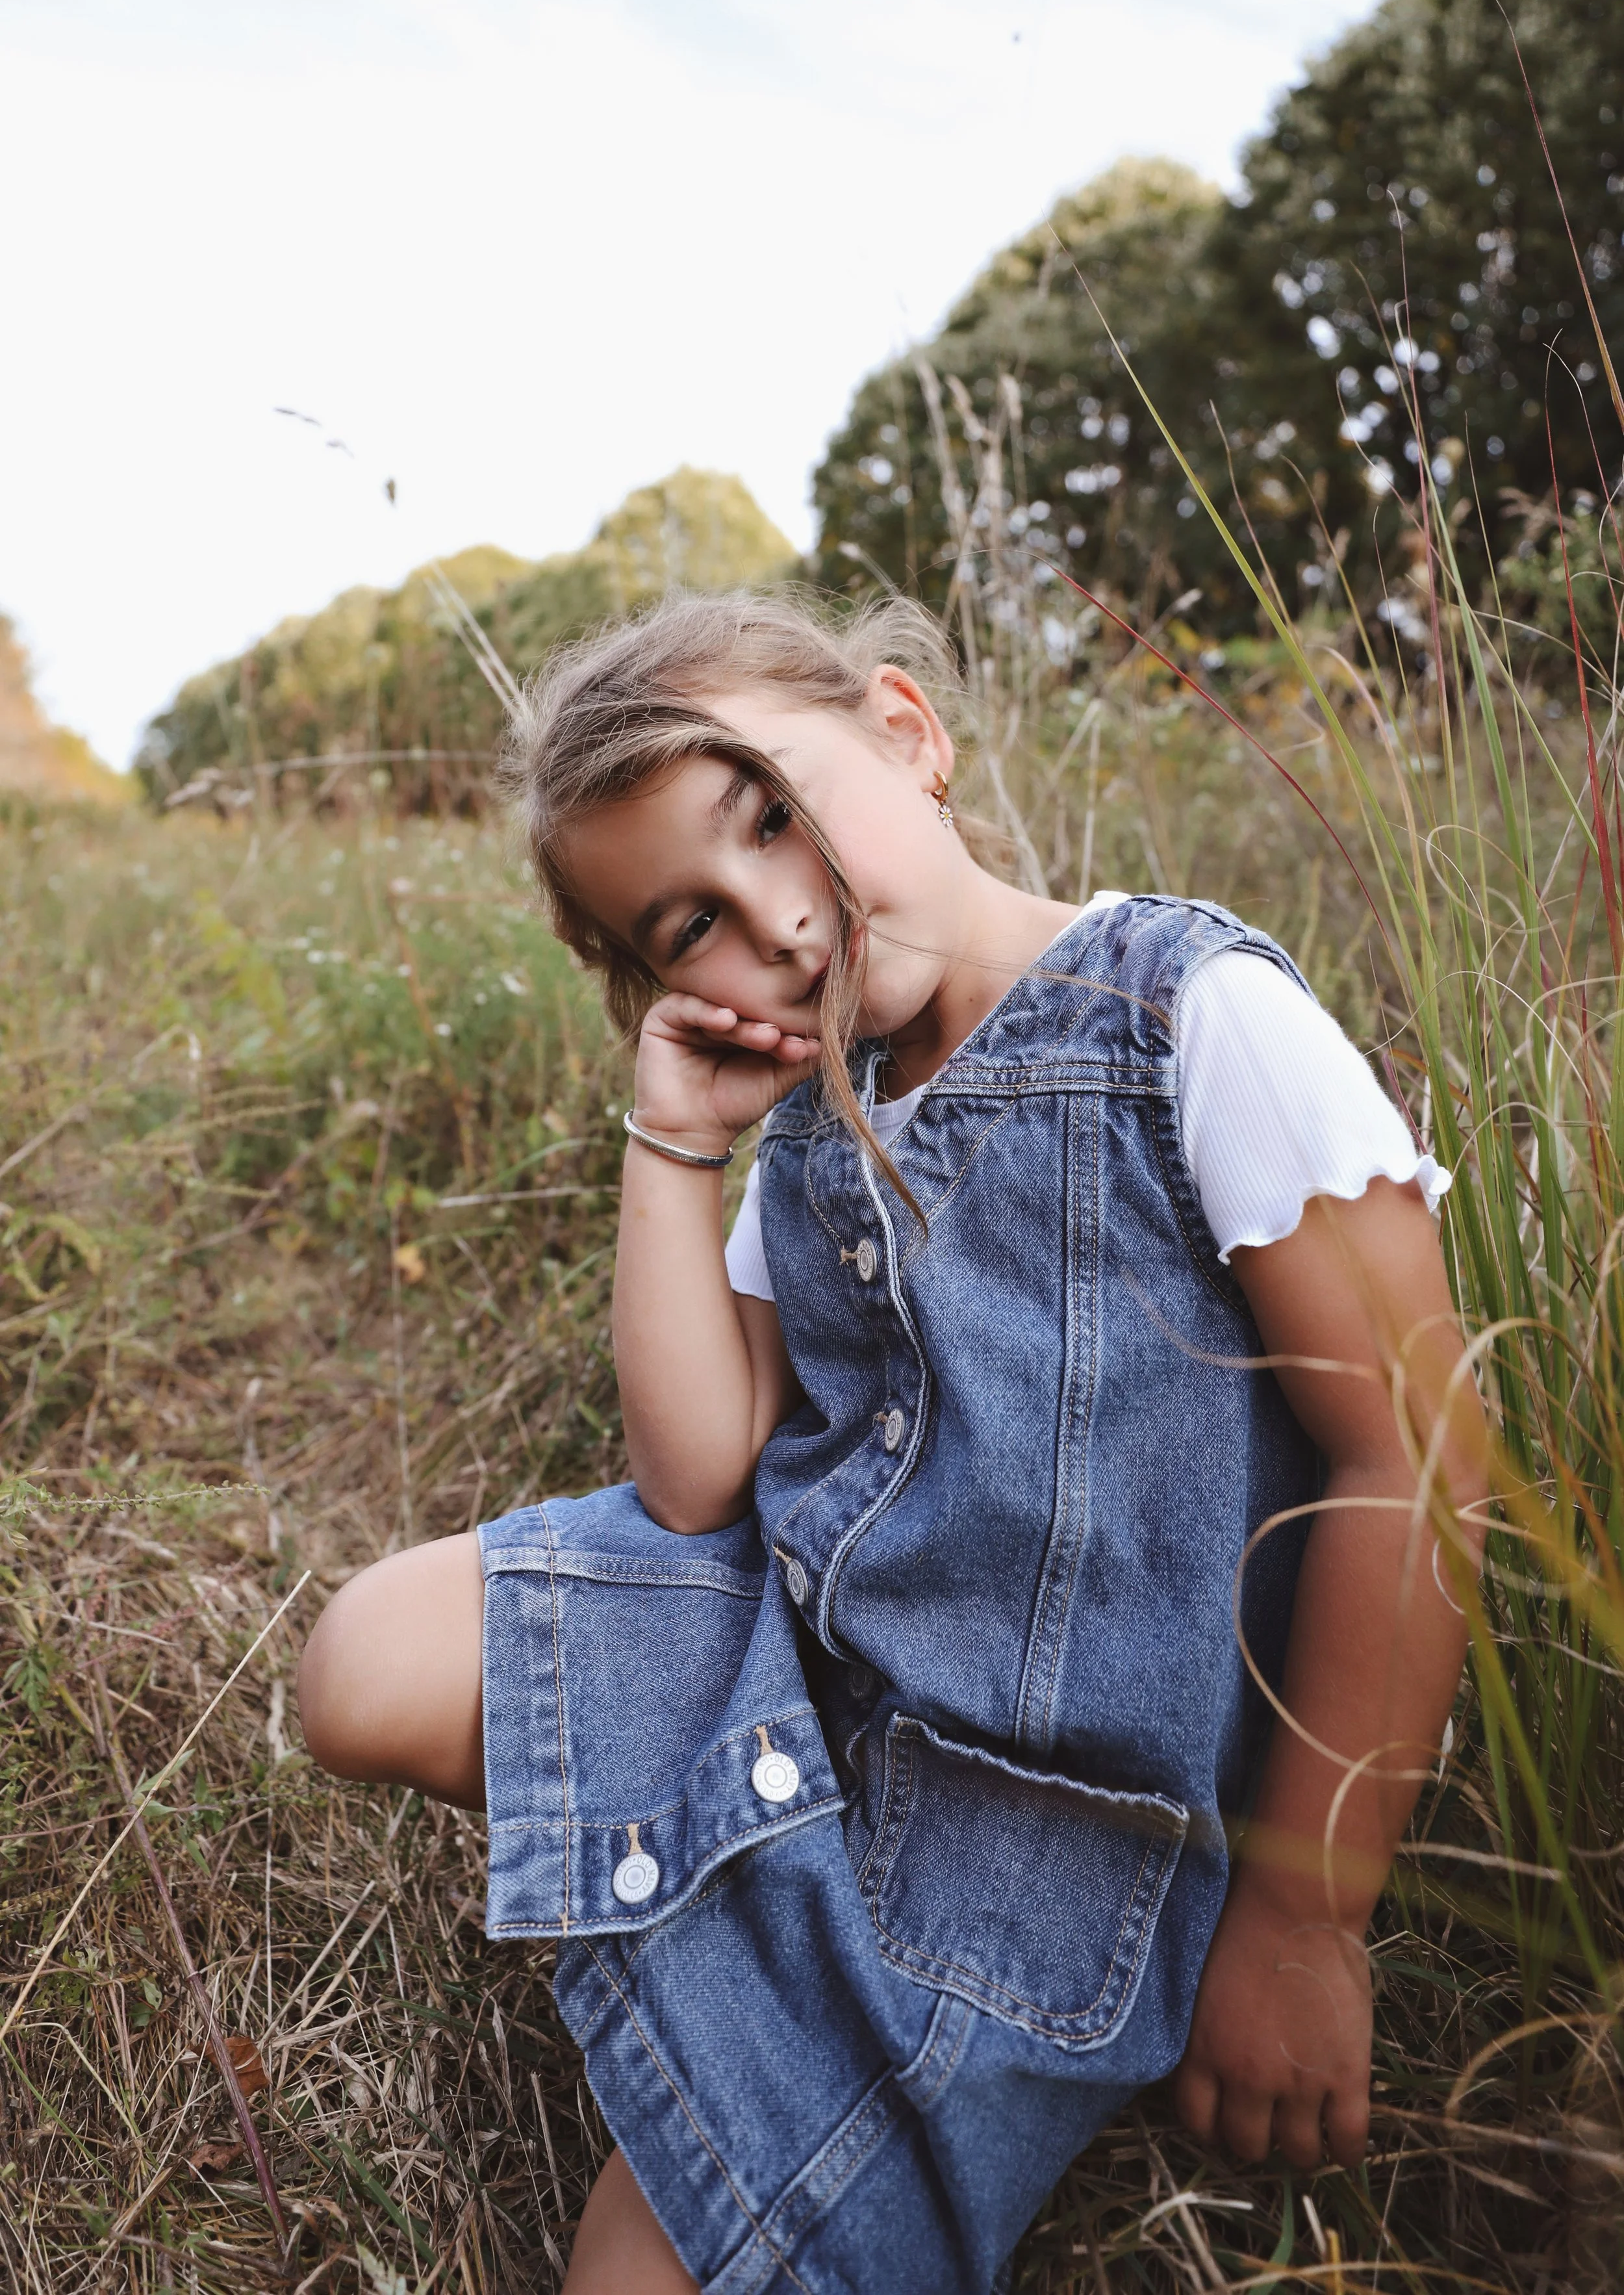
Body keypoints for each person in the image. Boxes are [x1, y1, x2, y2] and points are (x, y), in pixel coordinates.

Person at [298, 591, 1486, 2295]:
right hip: (821, 1679)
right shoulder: (806, 1135)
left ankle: (806, 1985)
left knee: (626, 2278)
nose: (777, 916)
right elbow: (701, 1481)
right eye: (690, 920)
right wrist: (673, 1139)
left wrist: (1302, 1917)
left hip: (1041, 1824)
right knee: (364, 1662)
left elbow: (1417, 1456)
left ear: (908, 735)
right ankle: (760, 1903)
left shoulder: (1182, 1015)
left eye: (774, 811)